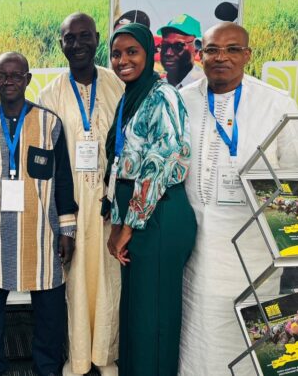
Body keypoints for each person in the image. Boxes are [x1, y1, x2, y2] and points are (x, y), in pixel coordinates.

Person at [178, 22, 298, 376]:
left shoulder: (277, 103)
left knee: (253, 343)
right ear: (200, 55)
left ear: (247, 55)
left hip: (254, 252)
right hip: (198, 248)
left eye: (232, 49)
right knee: (199, 336)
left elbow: (293, 175)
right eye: (212, 50)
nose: (222, 57)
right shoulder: (182, 101)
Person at [0, 51, 77, 376]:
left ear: (28, 79)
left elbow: (63, 181)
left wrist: (67, 230)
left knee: (50, 313)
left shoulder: (49, 123)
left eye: (16, 75)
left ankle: (47, 368)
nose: (9, 81)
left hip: (41, 235)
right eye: (2, 76)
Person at [105, 23, 196, 376]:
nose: (123, 60)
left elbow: (159, 165)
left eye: (132, 52)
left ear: (148, 53)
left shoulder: (163, 96)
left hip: (159, 215)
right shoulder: (131, 96)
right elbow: (121, 166)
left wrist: (127, 228)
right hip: (136, 213)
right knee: (137, 313)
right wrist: (118, 222)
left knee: (153, 319)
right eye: (116, 54)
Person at [39, 13, 122, 376]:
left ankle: (105, 355)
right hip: (70, 204)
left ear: (97, 38)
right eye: (69, 39)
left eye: (84, 36)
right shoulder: (49, 94)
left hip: (109, 203)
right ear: (61, 45)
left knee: (108, 278)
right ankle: (76, 358)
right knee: (74, 281)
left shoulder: (118, 86)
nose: (77, 44)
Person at [157, 14, 204, 89]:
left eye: (178, 46)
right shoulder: (156, 86)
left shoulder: (207, 85)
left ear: (196, 48)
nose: (169, 53)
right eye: (165, 45)